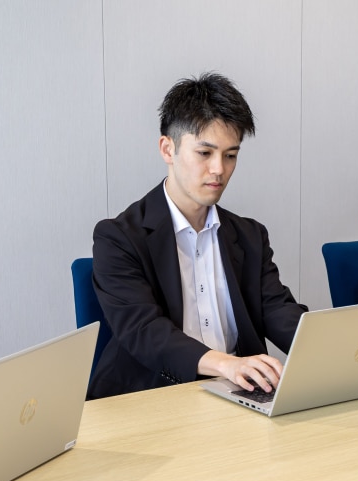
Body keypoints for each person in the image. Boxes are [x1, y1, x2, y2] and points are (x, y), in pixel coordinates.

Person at [89, 73, 306, 399]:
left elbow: (277, 310)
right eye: (205, 153)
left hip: (238, 394)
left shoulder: (249, 235)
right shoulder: (118, 237)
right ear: (168, 148)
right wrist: (227, 365)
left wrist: (334, 351)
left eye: (230, 155)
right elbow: (145, 332)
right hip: (152, 398)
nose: (219, 169)